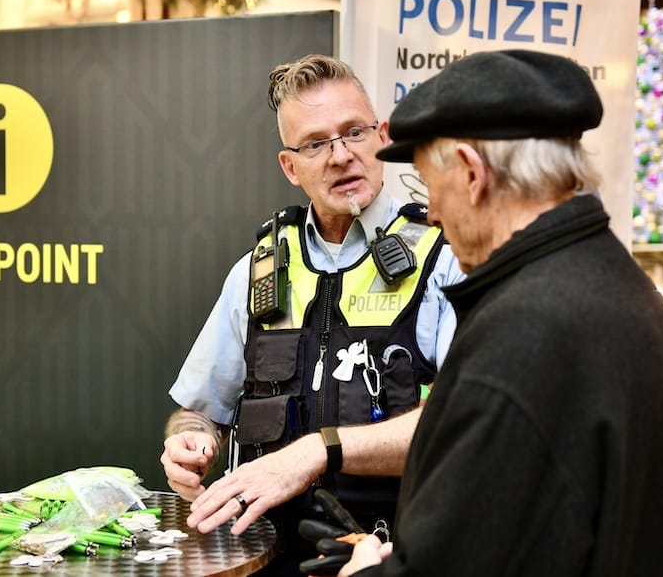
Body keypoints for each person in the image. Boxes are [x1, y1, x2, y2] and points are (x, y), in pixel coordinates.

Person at [336, 49, 663, 576]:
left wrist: (368, 571)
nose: (432, 213)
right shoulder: (616, 285)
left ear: (470, 173)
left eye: (427, 185)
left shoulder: (524, 334)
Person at [159, 54, 463, 575]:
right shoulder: (256, 273)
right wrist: (190, 440)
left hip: (392, 558)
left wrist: (316, 453)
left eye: (354, 132)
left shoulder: (446, 260)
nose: (341, 155)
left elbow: (461, 424)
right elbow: (198, 409)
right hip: (264, 557)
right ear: (290, 166)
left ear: (383, 136)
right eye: (316, 143)